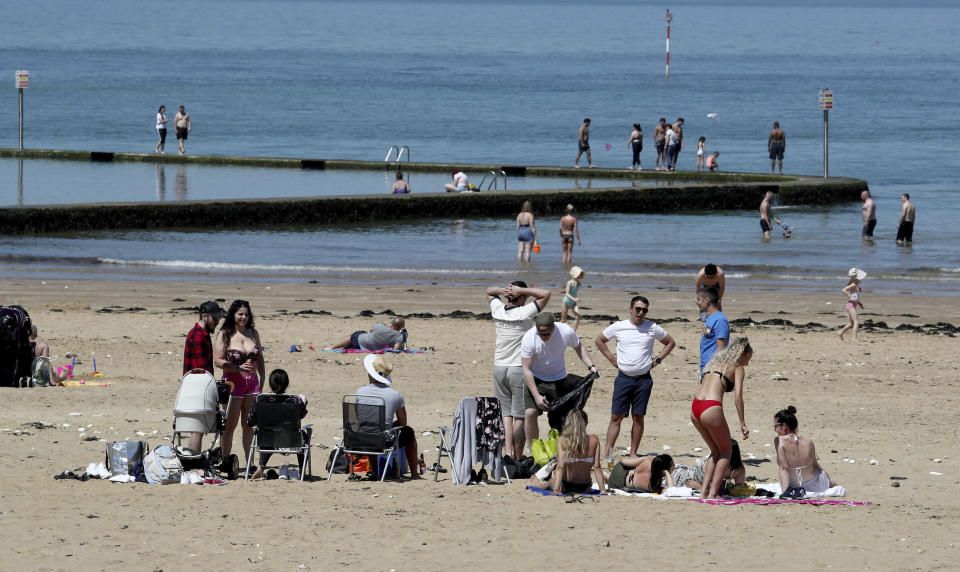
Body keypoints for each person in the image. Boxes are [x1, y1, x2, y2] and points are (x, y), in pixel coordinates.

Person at [595, 295, 676, 458]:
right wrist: (611, 358)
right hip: (623, 378)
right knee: (616, 417)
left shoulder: (652, 327)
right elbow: (599, 340)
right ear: (631, 309)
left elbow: (670, 343)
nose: (640, 313)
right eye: (638, 309)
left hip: (643, 379)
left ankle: (633, 452)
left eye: (644, 310)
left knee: (638, 417)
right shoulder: (619, 326)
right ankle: (607, 452)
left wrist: (657, 360)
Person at [486, 281, 551, 459]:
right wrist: (520, 290)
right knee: (519, 416)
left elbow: (490, 291)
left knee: (506, 415)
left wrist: (505, 291)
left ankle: (507, 452)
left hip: (499, 366)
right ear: (521, 296)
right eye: (525, 296)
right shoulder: (525, 312)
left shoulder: (497, 309)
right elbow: (546, 293)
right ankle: (518, 455)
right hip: (516, 368)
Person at [520, 313, 599, 454]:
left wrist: (591, 366)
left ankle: (563, 450)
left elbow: (579, 347)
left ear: (554, 328)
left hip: (559, 379)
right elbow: (526, 369)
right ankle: (533, 450)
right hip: (536, 379)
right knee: (530, 412)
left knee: (563, 417)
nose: (544, 337)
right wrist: (537, 396)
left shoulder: (565, 331)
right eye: (541, 334)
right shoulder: (529, 338)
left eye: (547, 334)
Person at [690, 337, 752, 499]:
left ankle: (704, 492)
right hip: (710, 407)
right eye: (747, 359)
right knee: (726, 451)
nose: (747, 363)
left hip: (696, 406)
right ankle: (713, 494)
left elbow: (698, 390)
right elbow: (738, 397)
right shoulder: (737, 367)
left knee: (715, 451)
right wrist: (742, 423)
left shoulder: (712, 363)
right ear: (742, 354)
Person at [214, 300, 265, 465]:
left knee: (249, 426)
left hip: (252, 384)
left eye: (246, 314)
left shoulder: (253, 332)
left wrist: (262, 376)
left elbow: (260, 357)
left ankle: (249, 463)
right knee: (230, 426)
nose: (244, 317)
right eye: (240, 314)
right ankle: (225, 461)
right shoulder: (225, 333)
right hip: (233, 384)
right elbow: (217, 360)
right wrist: (237, 368)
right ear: (233, 315)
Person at [355, 354, 423, 479]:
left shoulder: (359, 392)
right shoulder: (394, 395)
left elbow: (358, 418)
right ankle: (414, 473)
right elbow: (403, 423)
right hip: (383, 441)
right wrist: (389, 424)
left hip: (359, 439)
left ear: (370, 374)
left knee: (370, 428)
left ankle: (375, 472)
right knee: (408, 432)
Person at [247, 369, 309, 480]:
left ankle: (261, 467)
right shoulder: (294, 400)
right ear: (287, 384)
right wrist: (304, 403)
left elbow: (249, 422)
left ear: (270, 383)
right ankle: (302, 469)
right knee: (303, 435)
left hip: (267, 440)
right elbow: (302, 415)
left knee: (266, 433)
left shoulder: (261, 400)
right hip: (291, 440)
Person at [528, 410, 605, 494]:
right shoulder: (594, 440)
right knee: (554, 476)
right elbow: (597, 467)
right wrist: (603, 490)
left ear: (568, 425)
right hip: (585, 487)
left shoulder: (563, 440)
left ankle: (540, 485)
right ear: (585, 424)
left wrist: (556, 489)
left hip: (565, 487)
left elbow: (560, 467)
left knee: (550, 482)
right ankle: (550, 482)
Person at [774, 405, 836, 494]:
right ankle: (830, 483)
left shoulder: (779, 441)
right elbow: (815, 464)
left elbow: (784, 468)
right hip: (816, 485)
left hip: (795, 486)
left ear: (783, 426)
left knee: (824, 477)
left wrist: (785, 492)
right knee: (824, 476)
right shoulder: (809, 442)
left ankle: (830, 482)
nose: (774, 430)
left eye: (775, 426)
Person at [671, 440, 746, 490]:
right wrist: (700, 487)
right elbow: (715, 492)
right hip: (683, 476)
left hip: (696, 483)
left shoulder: (739, 469)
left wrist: (699, 487)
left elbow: (739, 491)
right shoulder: (714, 463)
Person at [606, 453, 674, 493]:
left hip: (620, 468)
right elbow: (671, 490)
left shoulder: (647, 460)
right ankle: (606, 476)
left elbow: (624, 461)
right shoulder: (653, 485)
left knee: (610, 476)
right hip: (617, 484)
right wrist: (667, 473)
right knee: (610, 478)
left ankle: (605, 475)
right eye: (673, 466)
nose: (674, 467)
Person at [697, 287, 729, 371]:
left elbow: (721, 348)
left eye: (699, 299)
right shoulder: (710, 318)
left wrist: (712, 367)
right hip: (705, 367)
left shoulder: (720, 320)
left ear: (707, 300)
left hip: (713, 368)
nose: (697, 303)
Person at [331, 316, 407, 351]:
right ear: (401, 326)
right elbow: (396, 349)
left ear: (391, 323)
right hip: (371, 348)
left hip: (361, 340)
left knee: (354, 336)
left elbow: (371, 330)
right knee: (358, 338)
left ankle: (333, 347)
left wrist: (385, 326)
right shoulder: (399, 336)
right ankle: (348, 347)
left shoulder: (380, 326)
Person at [838, 267, 866, 342]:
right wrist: (851, 297)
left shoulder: (855, 284)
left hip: (853, 304)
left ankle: (840, 332)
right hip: (851, 305)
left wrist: (859, 303)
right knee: (856, 322)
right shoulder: (853, 284)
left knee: (852, 323)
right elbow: (843, 290)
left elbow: (855, 296)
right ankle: (854, 338)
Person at [561, 266, 584, 331]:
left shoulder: (579, 284)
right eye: (579, 274)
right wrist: (575, 299)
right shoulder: (569, 283)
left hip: (573, 303)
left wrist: (575, 300)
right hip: (566, 302)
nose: (580, 276)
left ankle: (573, 332)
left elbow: (574, 293)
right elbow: (567, 294)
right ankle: (559, 332)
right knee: (563, 319)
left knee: (578, 316)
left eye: (581, 275)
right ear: (575, 275)